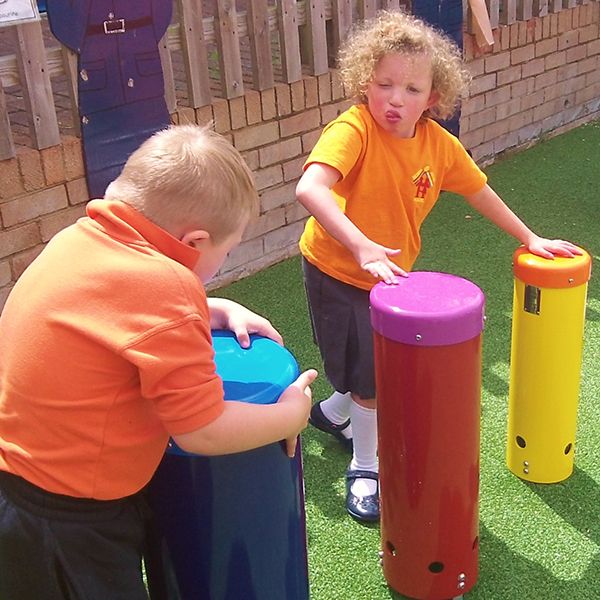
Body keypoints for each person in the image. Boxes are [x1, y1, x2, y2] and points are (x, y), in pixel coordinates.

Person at [0, 124, 317, 599]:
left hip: (24, 494)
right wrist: (289, 414)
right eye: (225, 253)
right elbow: (201, 428)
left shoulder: (80, 239)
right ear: (193, 241)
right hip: (68, 521)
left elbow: (110, 313)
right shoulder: (166, 286)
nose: (221, 264)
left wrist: (213, 308)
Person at [296, 10, 580, 523]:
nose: (395, 98)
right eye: (383, 84)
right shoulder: (353, 129)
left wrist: (530, 236)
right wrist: (361, 245)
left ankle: (332, 415)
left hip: (388, 276)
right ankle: (366, 466)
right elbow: (310, 188)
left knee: (371, 367)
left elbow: (479, 190)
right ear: (365, 84)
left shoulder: (438, 144)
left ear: (433, 97)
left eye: (411, 87)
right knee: (368, 375)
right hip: (337, 269)